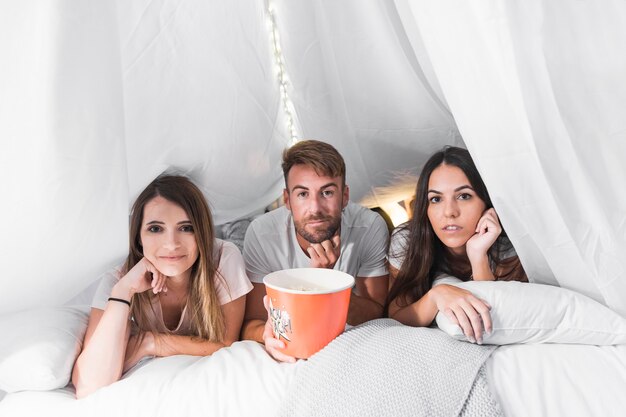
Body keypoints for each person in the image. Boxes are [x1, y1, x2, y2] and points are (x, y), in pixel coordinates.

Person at [72, 175, 252, 398]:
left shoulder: (224, 257)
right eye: (156, 229)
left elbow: (225, 343)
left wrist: (152, 342)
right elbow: (89, 385)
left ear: (201, 232)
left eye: (186, 228)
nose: (171, 244)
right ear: (138, 236)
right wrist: (122, 293)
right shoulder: (119, 279)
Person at [241, 140, 389, 362]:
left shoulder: (369, 227)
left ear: (345, 196)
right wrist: (266, 333)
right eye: (302, 194)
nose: (315, 208)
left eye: (327, 192)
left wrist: (324, 283)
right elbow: (251, 323)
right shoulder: (262, 234)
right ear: (287, 200)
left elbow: (376, 312)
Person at [385, 146, 527, 344]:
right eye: (436, 199)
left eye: (464, 196)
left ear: (486, 201)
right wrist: (436, 296)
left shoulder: (507, 244)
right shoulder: (408, 240)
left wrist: (478, 256)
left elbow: (493, 324)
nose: (449, 212)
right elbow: (396, 316)